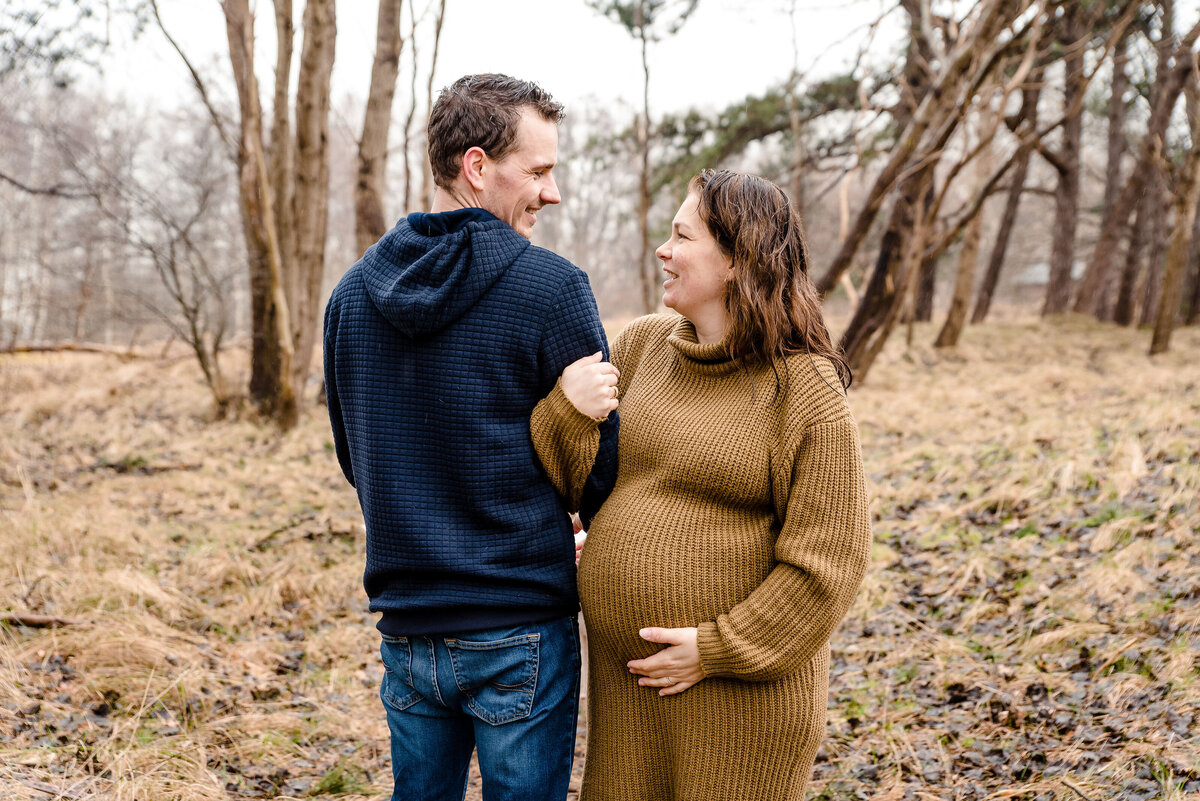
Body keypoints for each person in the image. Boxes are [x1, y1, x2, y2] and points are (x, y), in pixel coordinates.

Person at [323, 73, 619, 801]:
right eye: (541, 171)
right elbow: (600, 472)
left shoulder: (350, 297)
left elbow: (355, 459)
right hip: (519, 622)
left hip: (408, 628)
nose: (553, 193)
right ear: (478, 166)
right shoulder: (553, 290)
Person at [532, 169, 872, 800]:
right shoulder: (641, 347)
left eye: (682, 236)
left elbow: (830, 560)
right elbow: (570, 479)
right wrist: (567, 412)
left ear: (738, 261)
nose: (663, 250)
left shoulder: (803, 389)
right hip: (629, 692)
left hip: (738, 701)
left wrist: (720, 648)